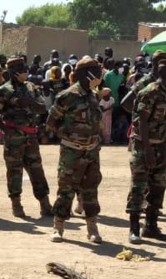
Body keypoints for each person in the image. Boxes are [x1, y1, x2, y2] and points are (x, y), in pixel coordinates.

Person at [46, 57, 105, 243]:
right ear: (86, 74)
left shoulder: (93, 95)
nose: (99, 75)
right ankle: (58, 226)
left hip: (92, 151)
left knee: (90, 188)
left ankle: (92, 227)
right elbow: (51, 123)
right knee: (66, 189)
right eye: (96, 72)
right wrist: (70, 136)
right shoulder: (67, 96)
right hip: (72, 151)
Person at [0, 56, 52, 218]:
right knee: (14, 171)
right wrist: (5, 130)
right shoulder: (5, 90)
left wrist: (29, 103)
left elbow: (42, 109)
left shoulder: (31, 87)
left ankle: (45, 204)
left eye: (25, 68)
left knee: (37, 169)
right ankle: (16, 204)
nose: (25, 71)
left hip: (31, 136)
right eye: (21, 69)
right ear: (13, 71)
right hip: (14, 137)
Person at [126, 59, 166, 244]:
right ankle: (134, 228)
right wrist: (148, 150)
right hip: (144, 146)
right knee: (139, 187)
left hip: (161, 146)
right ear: (165, 73)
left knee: (158, 187)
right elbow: (141, 122)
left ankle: (151, 226)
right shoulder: (149, 92)